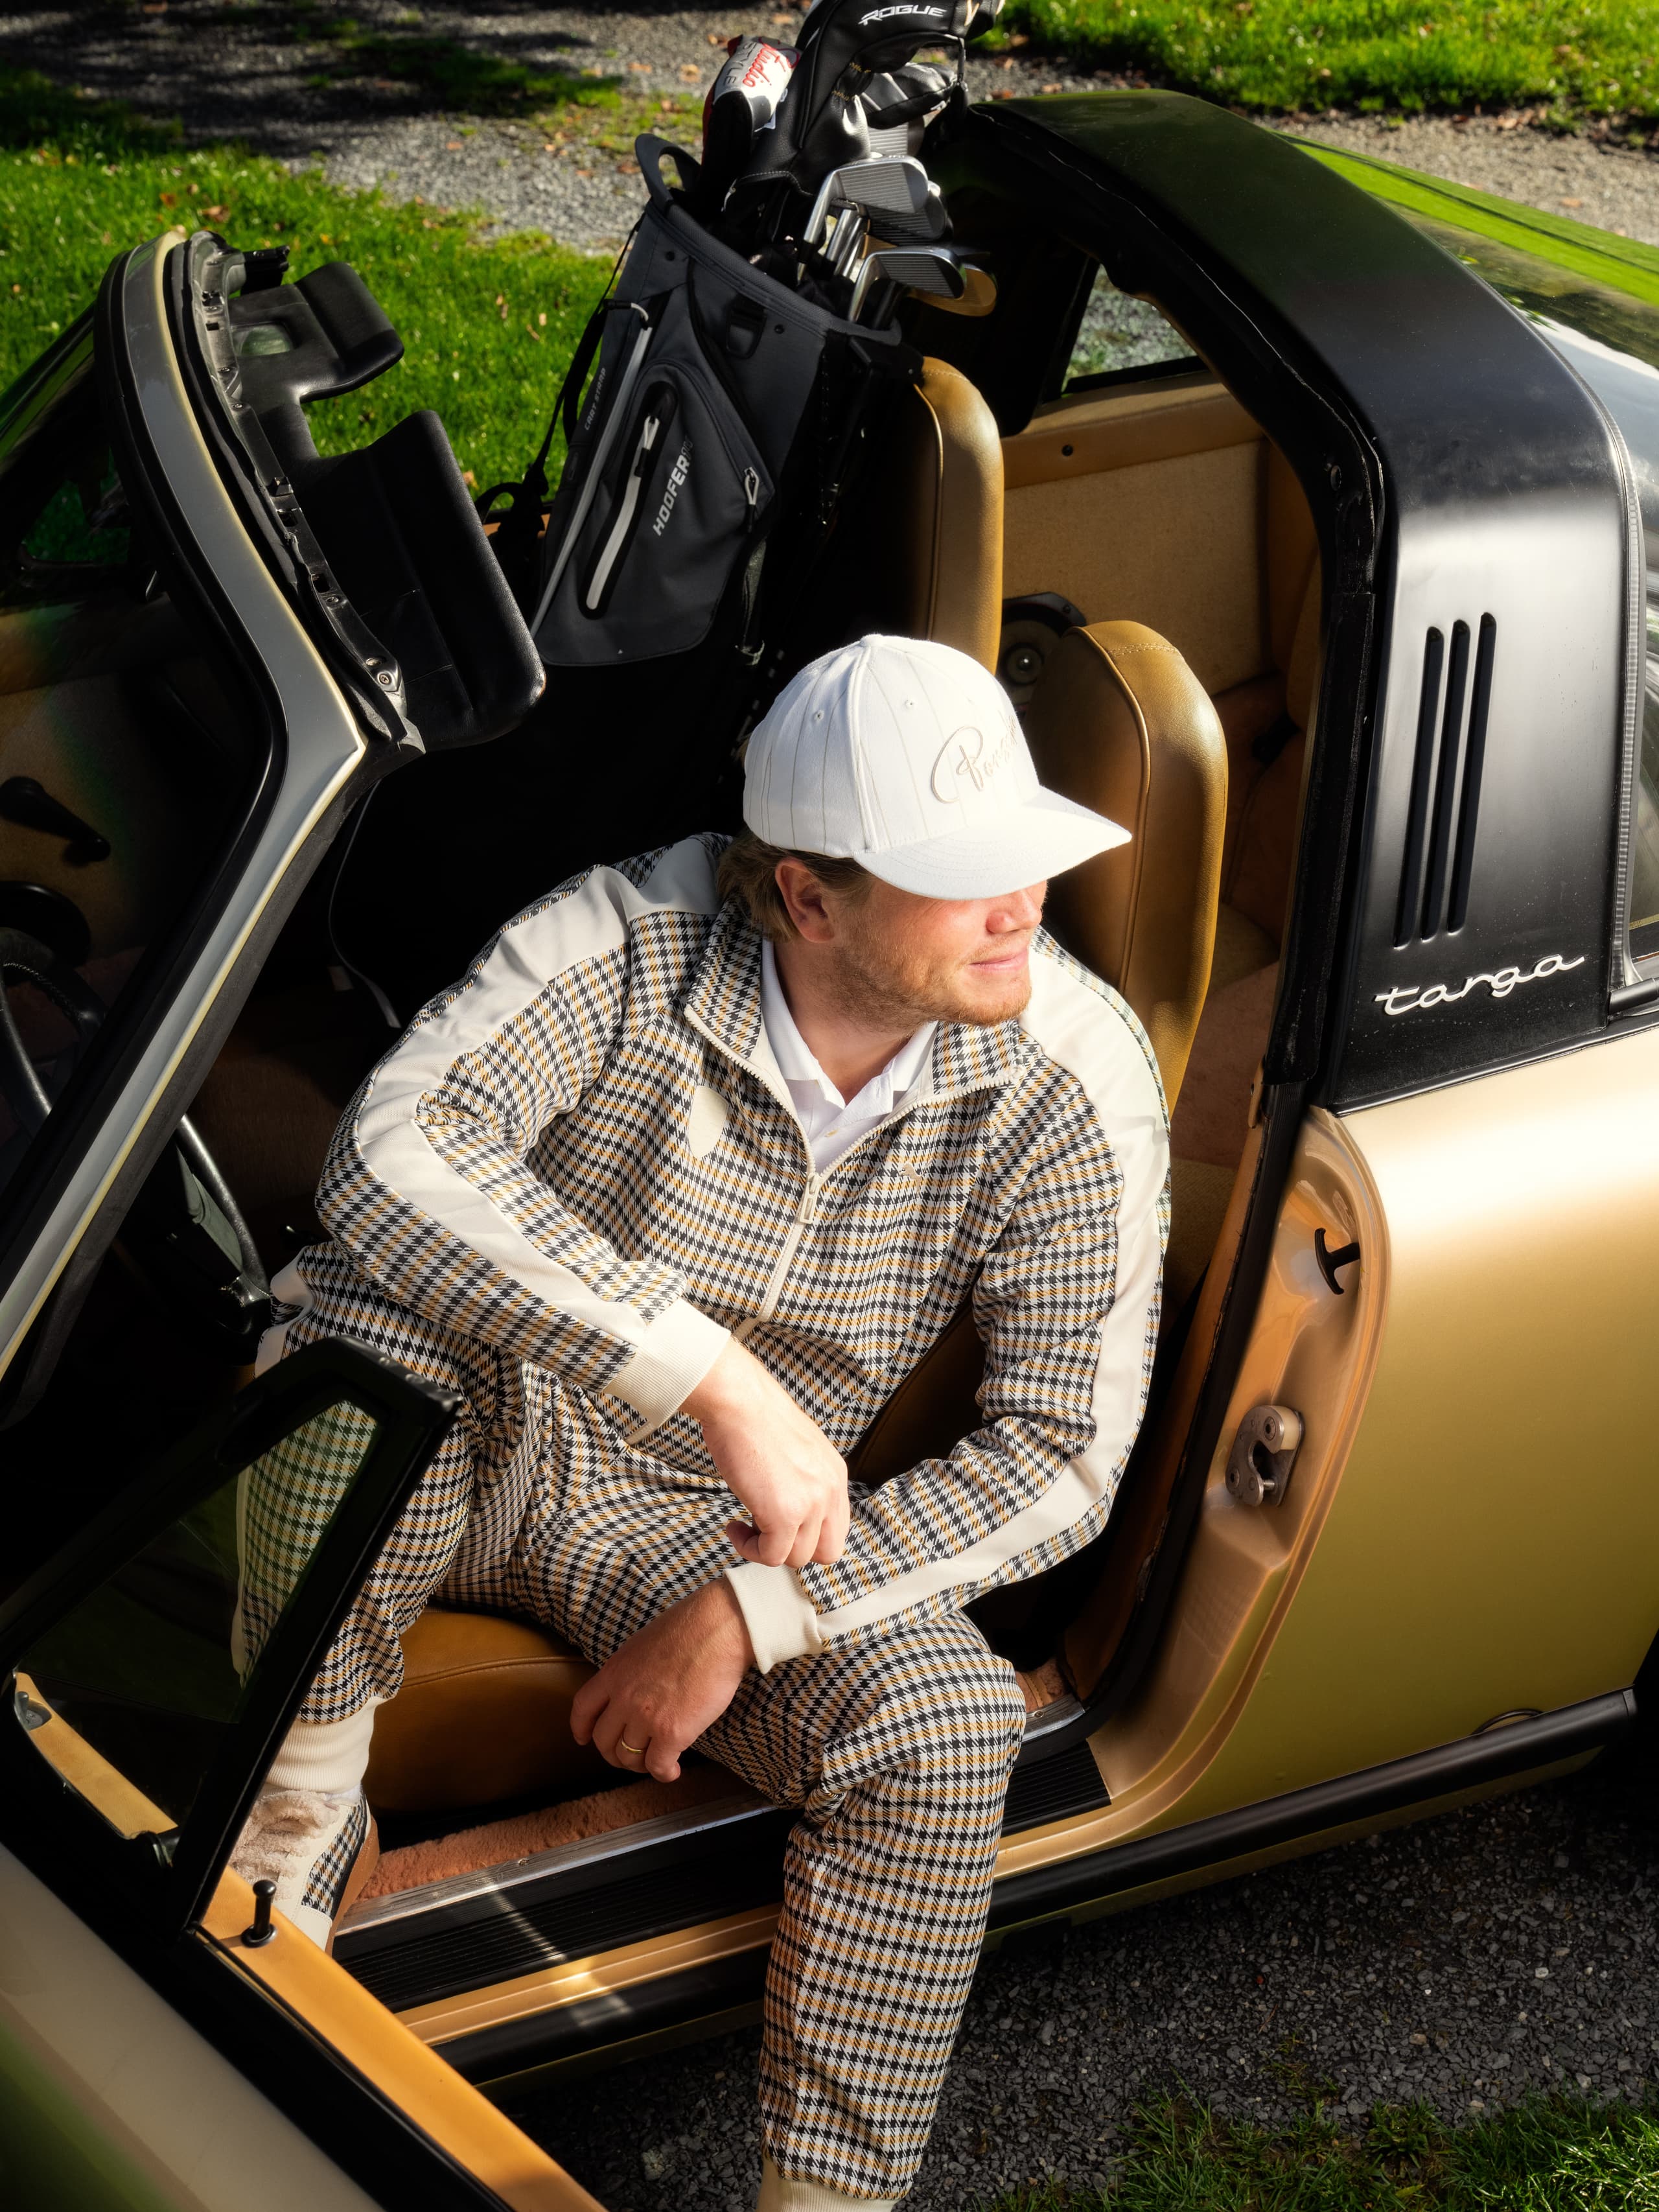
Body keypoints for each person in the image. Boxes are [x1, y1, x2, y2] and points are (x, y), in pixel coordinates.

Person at [235, 633, 1170, 2211]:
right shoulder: (621, 933)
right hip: (495, 1413)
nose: (1024, 905)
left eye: (1031, 858)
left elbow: (1062, 1453)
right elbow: (386, 1160)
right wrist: (710, 1376)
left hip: (718, 1530)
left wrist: (754, 1607)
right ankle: (279, 1865)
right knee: (341, 1370)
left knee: (944, 1726)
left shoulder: (1071, 1067)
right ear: (808, 898)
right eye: (966, 875)